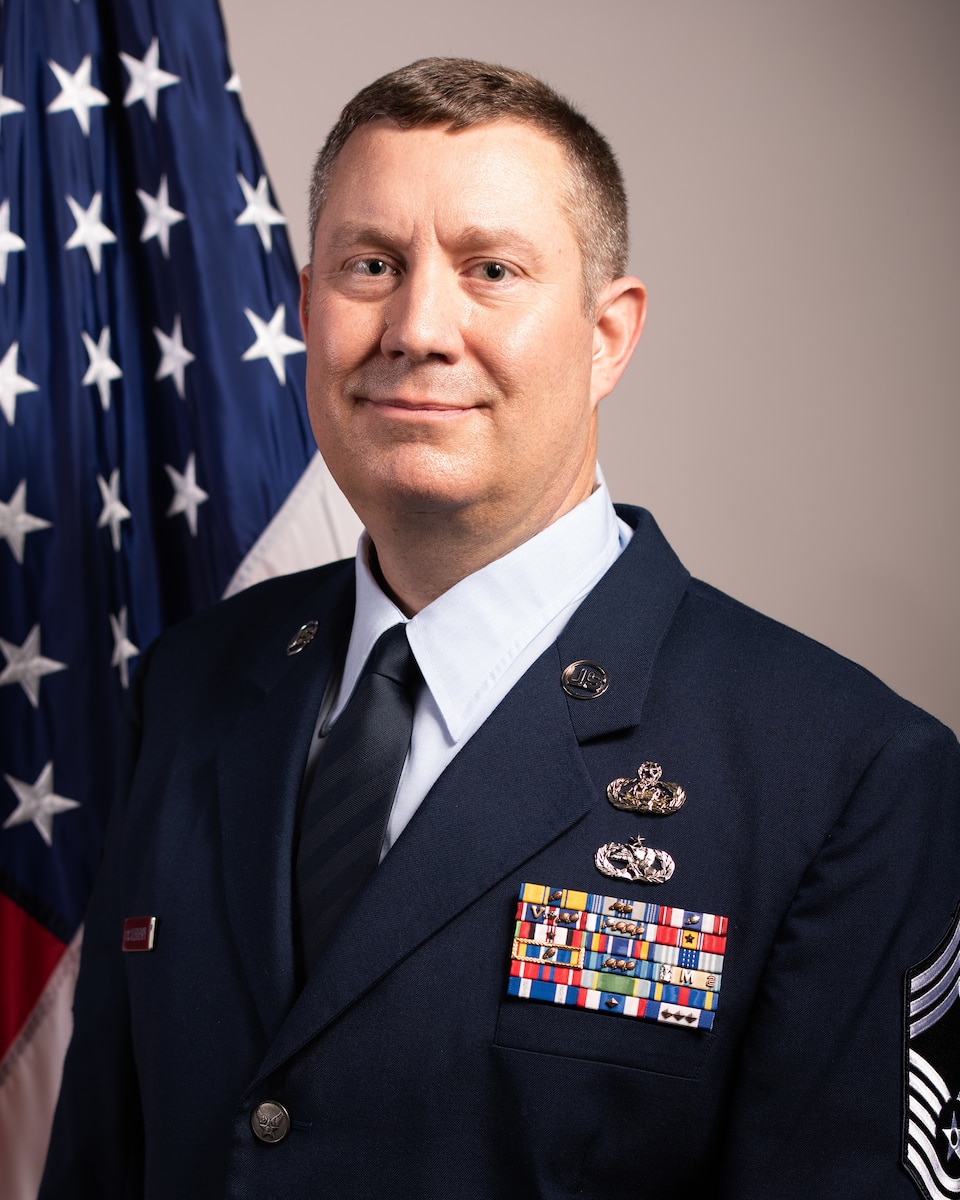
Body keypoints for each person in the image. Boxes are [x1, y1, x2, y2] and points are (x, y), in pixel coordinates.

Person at [40, 58, 959, 1200]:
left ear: (608, 336)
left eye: (492, 271)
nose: (418, 327)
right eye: (370, 265)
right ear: (305, 305)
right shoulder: (189, 690)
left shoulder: (844, 776)